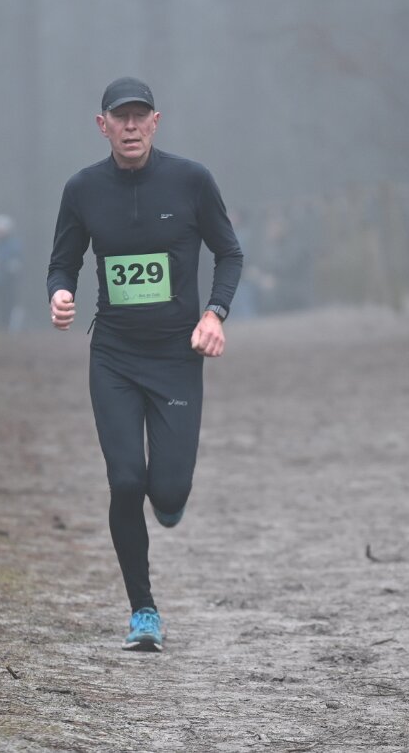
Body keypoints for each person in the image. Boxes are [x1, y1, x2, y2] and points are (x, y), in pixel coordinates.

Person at [47, 77, 243, 653]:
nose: (130, 127)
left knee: (169, 490)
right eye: (120, 117)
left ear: (156, 123)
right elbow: (62, 263)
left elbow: (229, 252)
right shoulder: (82, 189)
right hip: (114, 355)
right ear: (102, 125)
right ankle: (143, 610)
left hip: (177, 355)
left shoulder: (191, 181)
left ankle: (170, 498)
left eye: (140, 117)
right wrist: (60, 294)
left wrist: (215, 313)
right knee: (126, 479)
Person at [0, 214, 24, 332]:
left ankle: (11, 327)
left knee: (9, 304)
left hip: (9, 281)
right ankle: (1, 326)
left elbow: (15, 264)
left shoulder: (13, 245)